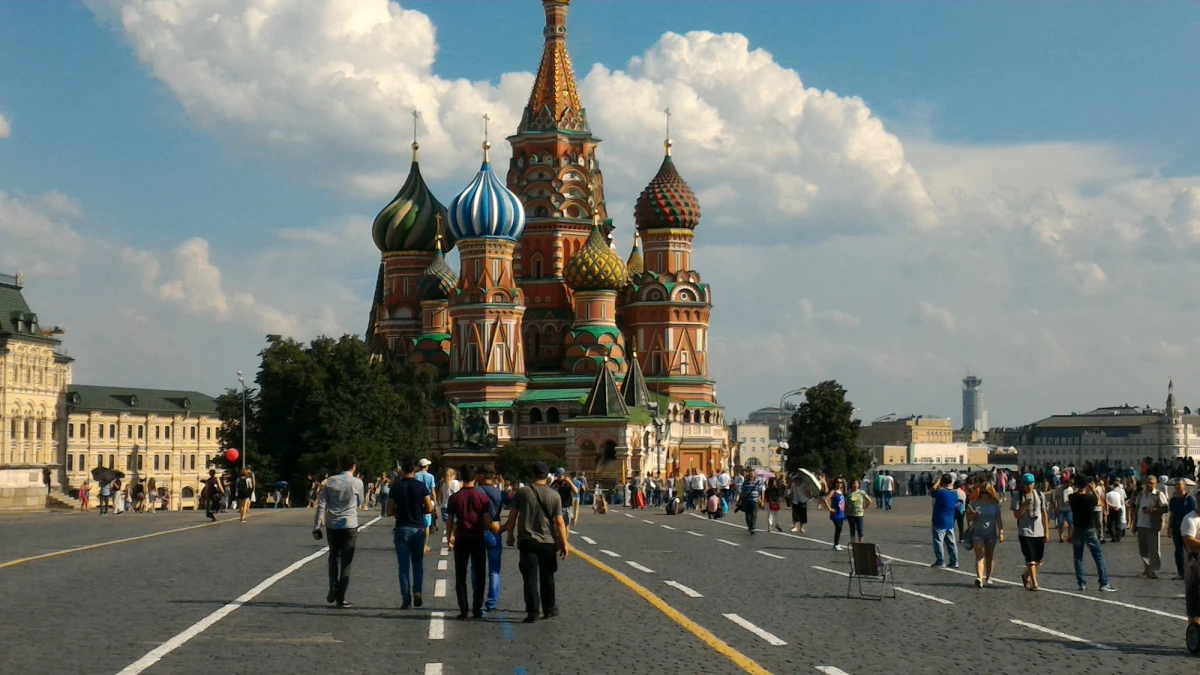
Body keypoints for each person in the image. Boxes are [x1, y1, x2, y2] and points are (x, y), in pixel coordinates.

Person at [504, 462, 569, 623]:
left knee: (530, 578)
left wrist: (510, 534)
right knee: (547, 576)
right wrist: (564, 543)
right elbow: (560, 522)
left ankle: (532, 612)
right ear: (547, 476)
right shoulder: (555, 495)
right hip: (548, 541)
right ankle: (549, 609)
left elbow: (512, 515)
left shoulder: (523, 492)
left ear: (532, 475)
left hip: (527, 540)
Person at [313, 455, 364, 608]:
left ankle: (333, 586)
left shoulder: (329, 481)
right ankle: (340, 597)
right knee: (346, 561)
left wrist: (317, 526)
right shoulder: (357, 482)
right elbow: (360, 503)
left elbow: (321, 505)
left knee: (333, 556)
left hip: (332, 525)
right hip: (349, 524)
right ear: (353, 466)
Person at [447, 467, 493, 620]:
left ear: (461, 478)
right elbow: (486, 518)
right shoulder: (481, 497)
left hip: (461, 538)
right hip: (478, 537)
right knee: (480, 574)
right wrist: (496, 528)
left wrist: (449, 537)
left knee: (460, 576)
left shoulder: (454, 498)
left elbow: (449, 521)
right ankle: (477, 608)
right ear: (476, 478)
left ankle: (464, 610)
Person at [389, 459, 434, 610]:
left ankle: (405, 598)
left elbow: (388, 511)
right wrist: (420, 511)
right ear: (414, 470)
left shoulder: (395, 487)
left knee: (403, 566)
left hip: (401, 527)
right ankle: (417, 591)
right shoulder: (420, 487)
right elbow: (429, 508)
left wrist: (397, 512)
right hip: (418, 528)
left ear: (401, 470)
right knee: (418, 563)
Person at [1068, 475, 1116, 592]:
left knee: (1078, 557)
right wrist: (1094, 489)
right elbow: (1099, 502)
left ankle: (1082, 583)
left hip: (1077, 529)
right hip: (1089, 529)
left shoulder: (1072, 497)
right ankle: (1103, 583)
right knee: (1098, 556)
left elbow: (1076, 495)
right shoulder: (1089, 498)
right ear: (1087, 485)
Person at [1013, 473, 1049, 591]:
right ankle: (1035, 583)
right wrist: (1024, 505)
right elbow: (1016, 515)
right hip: (1025, 531)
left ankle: (1025, 575)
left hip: (1039, 531)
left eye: (1030, 484)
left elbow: (1044, 513)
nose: (1028, 487)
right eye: (1026, 484)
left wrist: (1046, 531)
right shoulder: (1018, 496)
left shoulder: (1039, 495)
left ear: (1034, 484)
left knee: (1037, 560)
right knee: (1030, 559)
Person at [477, 470, 505, 612]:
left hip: (478, 531)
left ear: (481, 476)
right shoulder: (499, 493)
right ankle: (492, 602)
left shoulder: (476, 491)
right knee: (494, 571)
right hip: (495, 530)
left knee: (476, 568)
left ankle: (478, 600)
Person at [967, 481, 1004, 588]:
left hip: (991, 534)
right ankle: (979, 578)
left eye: (986, 493)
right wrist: (973, 515)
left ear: (990, 493)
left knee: (989, 557)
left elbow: (998, 520)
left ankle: (988, 577)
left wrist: (1001, 532)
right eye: (982, 492)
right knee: (979, 556)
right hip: (978, 533)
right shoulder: (974, 503)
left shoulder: (995, 505)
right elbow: (968, 518)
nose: (984, 495)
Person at [1134, 475, 1169, 579]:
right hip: (1141, 524)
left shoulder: (1158, 494)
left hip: (1153, 525)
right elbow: (1136, 509)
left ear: (1155, 484)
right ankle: (1147, 569)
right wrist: (1134, 524)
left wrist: (1152, 510)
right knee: (1143, 550)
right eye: (1148, 482)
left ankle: (1154, 570)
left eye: (1152, 483)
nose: (1149, 485)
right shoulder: (1140, 494)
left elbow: (1165, 508)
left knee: (1154, 549)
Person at [930, 474, 959, 568]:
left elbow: (932, 491)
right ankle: (954, 561)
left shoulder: (941, 492)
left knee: (938, 541)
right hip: (950, 521)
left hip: (939, 520)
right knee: (951, 543)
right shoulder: (954, 493)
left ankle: (940, 561)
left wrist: (938, 481)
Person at [1170, 481, 1197, 581]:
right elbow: (1172, 515)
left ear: (1184, 486)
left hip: (1188, 528)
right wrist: (1169, 528)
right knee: (1178, 551)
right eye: (1175, 485)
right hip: (1176, 527)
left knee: (1190, 550)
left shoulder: (1190, 500)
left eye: (1179, 484)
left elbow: (1193, 514)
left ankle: (1191, 572)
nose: (1177, 486)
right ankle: (1180, 572)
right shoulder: (1173, 500)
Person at [1181, 493, 1200, 632]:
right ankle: (1194, 631)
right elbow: (1189, 541)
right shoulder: (1190, 519)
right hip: (1195, 565)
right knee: (1195, 602)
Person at [738, 468, 764, 535]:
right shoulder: (745, 482)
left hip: (755, 501)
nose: (750, 475)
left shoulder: (758, 482)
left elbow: (761, 491)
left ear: (755, 475)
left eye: (752, 474)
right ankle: (750, 527)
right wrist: (739, 500)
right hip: (747, 501)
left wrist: (762, 500)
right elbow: (742, 492)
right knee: (748, 516)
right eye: (749, 474)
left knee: (754, 515)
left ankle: (752, 528)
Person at [845, 478, 871, 543]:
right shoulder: (848, 493)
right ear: (851, 484)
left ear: (859, 485)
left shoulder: (861, 492)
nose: (855, 485)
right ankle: (853, 543)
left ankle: (860, 543)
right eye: (853, 483)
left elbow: (869, 501)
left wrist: (864, 507)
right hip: (850, 514)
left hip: (859, 514)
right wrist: (845, 512)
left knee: (860, 529)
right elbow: (846, 504)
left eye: (856, 483)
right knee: (852, 529)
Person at [825, 477, 847, 551]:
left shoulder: (842, 491)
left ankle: (837, 543)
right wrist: (830, 509)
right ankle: (835, 544)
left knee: (839, 529)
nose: (839, 484)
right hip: (835, 514)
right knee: (838, 528)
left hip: (841, 513)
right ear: (835, 483)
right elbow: (826, 499)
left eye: (840, 482)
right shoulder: (833, 492)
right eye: (837, 482)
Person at [1053, 478, 1075, 543]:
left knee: (1070, 522)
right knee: (1060, 523)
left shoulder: (1071, 489)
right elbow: (1056, 499)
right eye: (1067, 484)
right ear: (1064, 483)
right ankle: (1061, 537)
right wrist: (1056, 508)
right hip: (1060, 509)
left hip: (1069, 508)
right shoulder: (1058, 489)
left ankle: (1069, 536)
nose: (1068, 485)